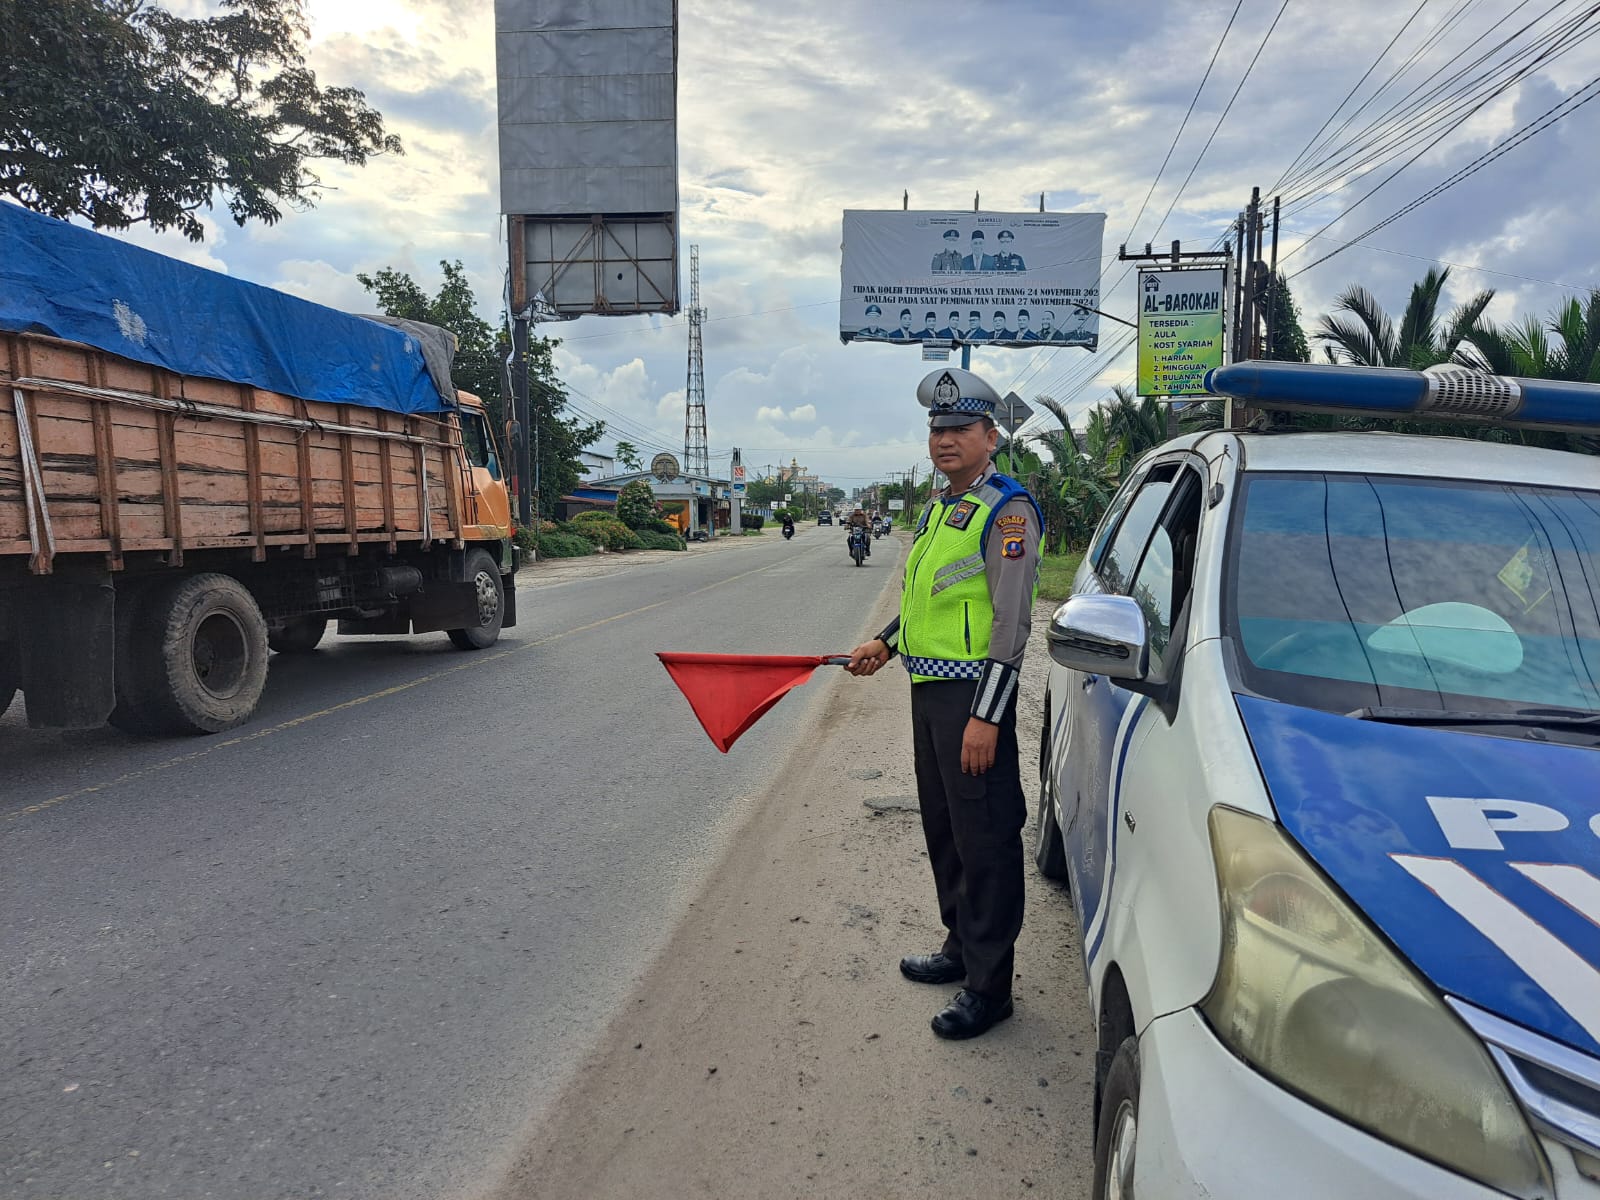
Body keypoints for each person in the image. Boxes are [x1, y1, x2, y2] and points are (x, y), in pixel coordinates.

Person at [845, 366, 1041, 1041]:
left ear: (991, 436)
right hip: (928, 692)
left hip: (972, 696)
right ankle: (960, 947)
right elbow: (930, 600)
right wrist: (885, 641)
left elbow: (1011, 625)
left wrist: (987, 716)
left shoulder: (1007, 511)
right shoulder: (939, 509)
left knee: (985, 837)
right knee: (947, 829)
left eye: (960, 428)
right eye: (937, 429)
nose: (946, 439)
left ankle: (990, 989)